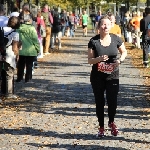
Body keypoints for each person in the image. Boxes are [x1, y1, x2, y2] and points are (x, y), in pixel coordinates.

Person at [88, 15, 127, 137]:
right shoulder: (93, 41)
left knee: (112, 101)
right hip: (97, 76)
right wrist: (98, 59)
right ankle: (101, 127)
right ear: (99, 27)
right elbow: (90, 60)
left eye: (108, 24)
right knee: (100, 102)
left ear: (111, 26)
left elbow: (124, 52)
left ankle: (111, 122)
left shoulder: (116, 39)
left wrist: (120, 61)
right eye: (103, 24)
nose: (105, 26)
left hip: (113, 75)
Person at [0, 16, 20, 99]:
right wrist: (17, 55)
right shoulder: (15, 33)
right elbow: (14, 47)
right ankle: (9, 93)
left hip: (0, 53)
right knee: (9, 74)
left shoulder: (1, 29)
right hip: (9, 56)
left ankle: (2, 92)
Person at [16, 16, 40, 83]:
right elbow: (35, 40)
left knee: (20, 65)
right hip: (30, 50)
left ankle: (19, 78)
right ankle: (28, 79)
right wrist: (38, 49)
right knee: (29, 65)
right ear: (29, 20)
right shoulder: (32, 29)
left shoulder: (18, 28)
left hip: (21, 50)